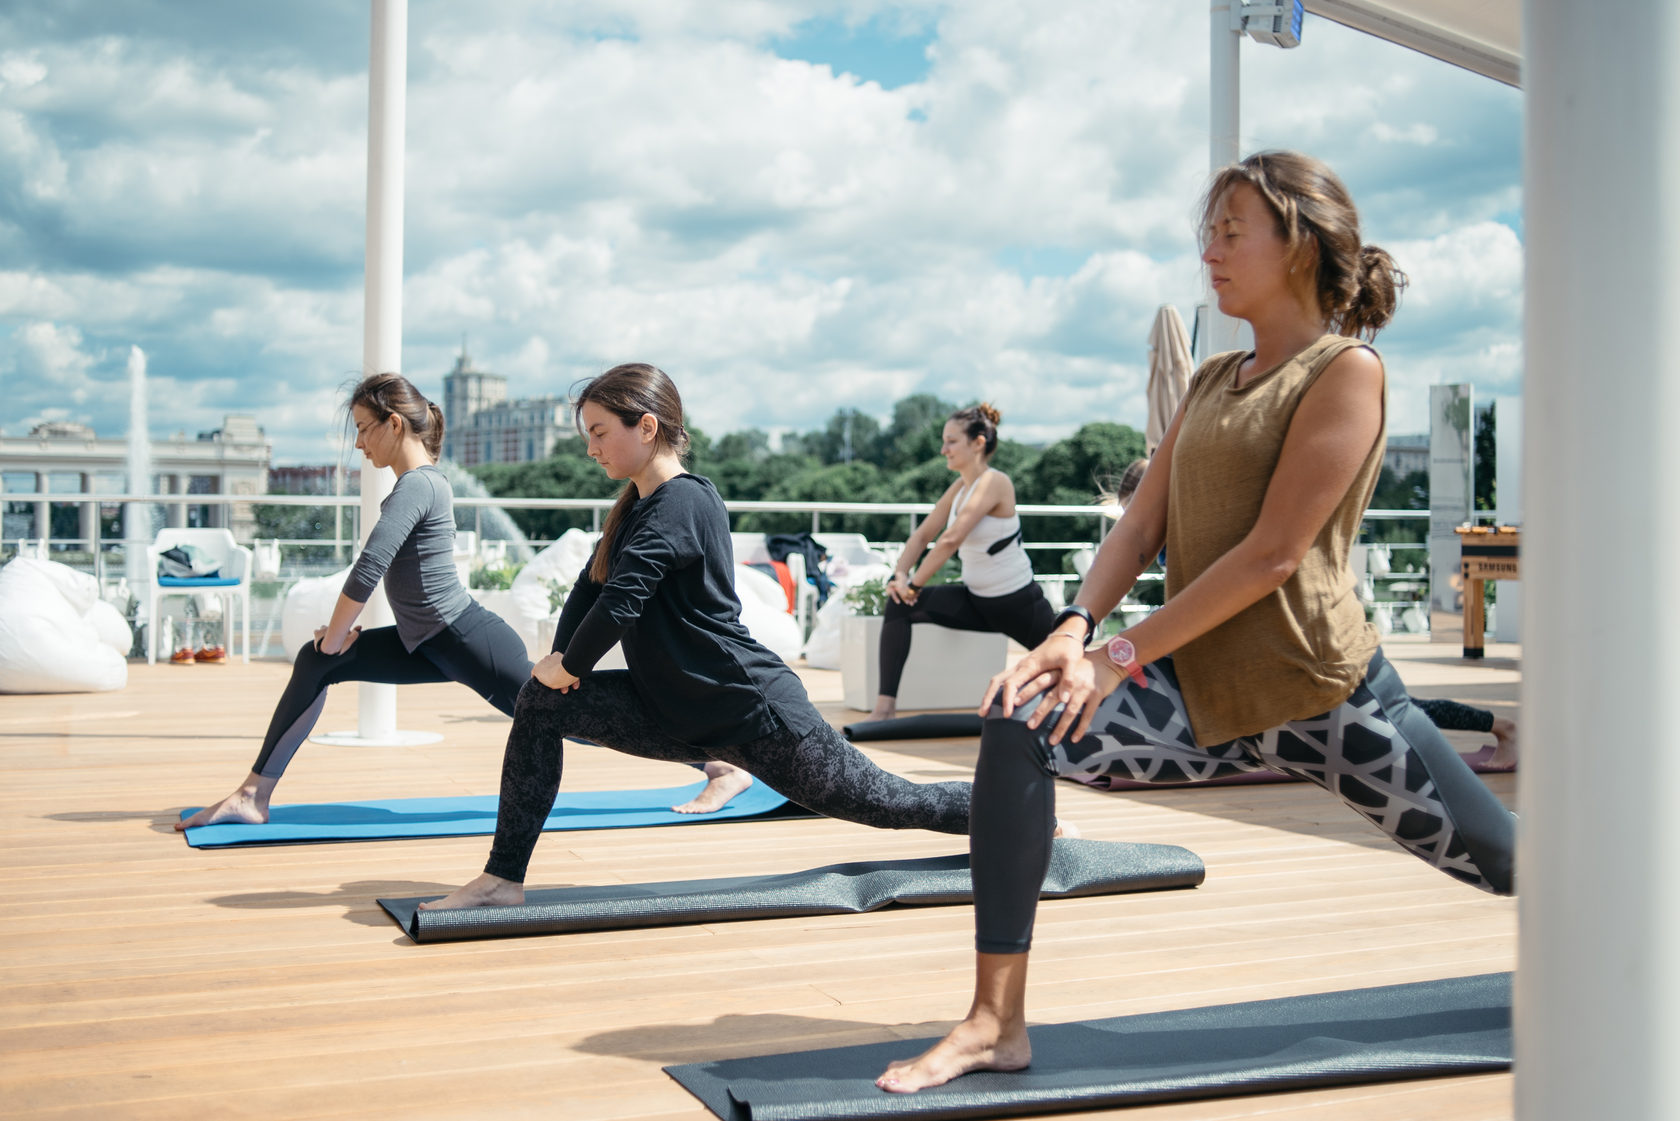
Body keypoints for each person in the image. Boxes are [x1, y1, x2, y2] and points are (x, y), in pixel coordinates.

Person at [876, 151, 1518, 1092]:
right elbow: (1140, 525)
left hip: (1328, 700)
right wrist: (1071, 631)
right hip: (1201, 699)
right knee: (1019, 721)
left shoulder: (1346, 371)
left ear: (1299, 243)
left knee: (1511, 863)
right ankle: (994, 1023)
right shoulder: (1216, 378)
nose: (1209, 250)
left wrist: (1117, 654)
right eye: (1206, 231)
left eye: (1231, 230)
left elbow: (1272, 555)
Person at [421, 364, 980, 911]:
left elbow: (625, 598)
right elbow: (590, 589)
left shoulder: (686, 500)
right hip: (676, 709)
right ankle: (502, 877)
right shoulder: (636, 507)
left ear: (646, 426)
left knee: (889, 802)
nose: (591, 449)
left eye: (598, 433)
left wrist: (570, 668)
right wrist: (561, 662)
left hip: (750, 712)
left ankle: (1016, 813)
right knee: (539, 704)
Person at [176, 373, 533, 830]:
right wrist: (332, 642)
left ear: (395, 425)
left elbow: (369, 568)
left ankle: (658, 747)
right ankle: (252, 795)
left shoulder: (418, 485)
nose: (360, 444)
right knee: (317, 662)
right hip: (424, 643)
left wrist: (336, 637)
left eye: (364, 428)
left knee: (568, 720)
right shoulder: (417, 484)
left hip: (467, 641)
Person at [865, 404, 1056, 723]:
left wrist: (915, 585)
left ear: (978, 442)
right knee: (900, 605)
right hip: (977, 602)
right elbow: (924, 533)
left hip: (1018, 604)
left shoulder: (996, 482)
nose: (943, 450)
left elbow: (950, 539)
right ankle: (884, 709)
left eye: (952, 441)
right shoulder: (961, 487)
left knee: (1074, 658)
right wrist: (899, 576)